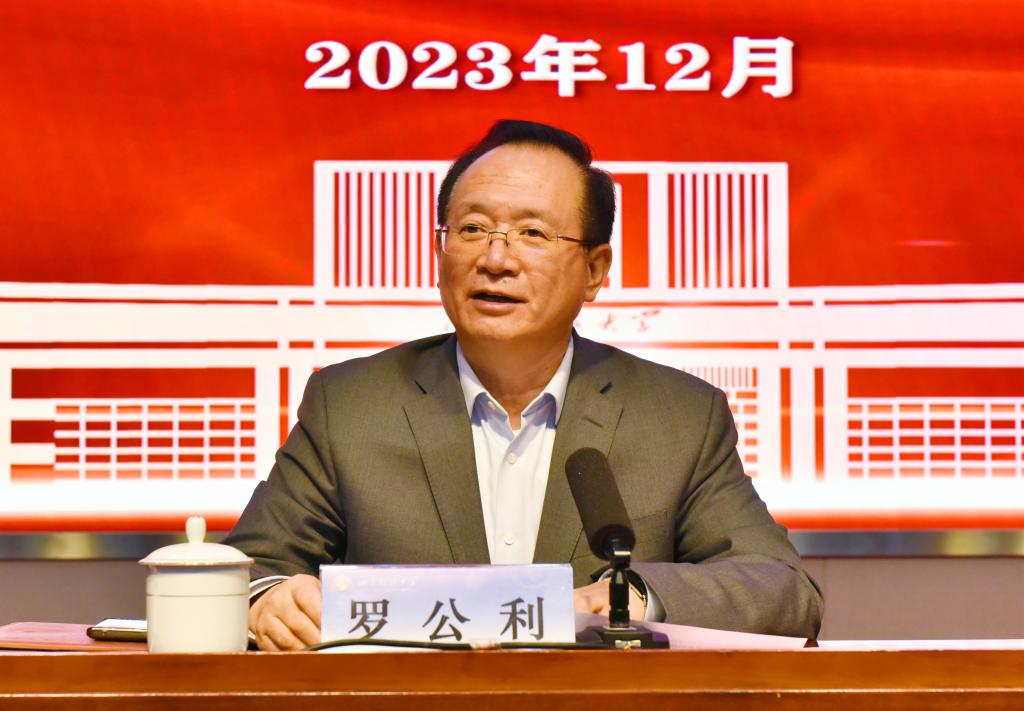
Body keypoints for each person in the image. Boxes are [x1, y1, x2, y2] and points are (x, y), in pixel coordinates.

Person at [224, 119, 823, 651]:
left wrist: (636, 596)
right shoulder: (351, 405)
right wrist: (269, 599)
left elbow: (784, 591)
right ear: (440, 250)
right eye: (472, 229)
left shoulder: (677, 416)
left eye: (533, 234)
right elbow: (248, 571)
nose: (496, 260)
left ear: (595, 270)